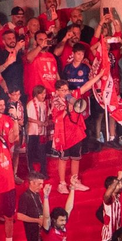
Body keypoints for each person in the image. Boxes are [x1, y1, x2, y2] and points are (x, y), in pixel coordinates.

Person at [50, 66, 108, 194]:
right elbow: (56, 118)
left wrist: (98, 76)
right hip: (64, 134)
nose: (66, 92)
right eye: (63, 90)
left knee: (76, 157)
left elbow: (86, 86)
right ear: (57, 91)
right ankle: (62, 183)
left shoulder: (73, 95)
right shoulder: (55, 102)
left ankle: (74, 181)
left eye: (67, 89)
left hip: (76, 133)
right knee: (63, 158)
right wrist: (67, 110)